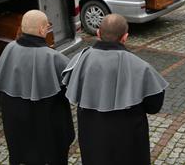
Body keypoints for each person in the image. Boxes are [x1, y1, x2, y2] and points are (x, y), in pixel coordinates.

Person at [62, 14, 168, 165]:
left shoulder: (79, 60)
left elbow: (70, 89)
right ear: (125, 37)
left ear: (98, 33)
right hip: (129, 144)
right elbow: (154, 106)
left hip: (93, 141)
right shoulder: (141, 67)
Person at [0, 10, 74, 165]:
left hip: (18, 134)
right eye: (47, 26)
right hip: (48, 136)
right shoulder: (53, 58)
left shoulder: (9, 49)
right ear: (41, 30)